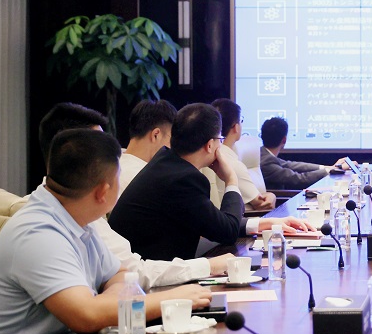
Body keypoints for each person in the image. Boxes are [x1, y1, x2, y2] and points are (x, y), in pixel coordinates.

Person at [0, 129, 211, 334]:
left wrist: (112, 300)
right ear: (103, 191)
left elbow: (119, 273)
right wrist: (171, 299)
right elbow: (85, 315)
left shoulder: (75, 217)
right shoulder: (37, 233)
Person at [37, 102, 233, 288]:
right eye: (102, 150)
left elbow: (126, 272)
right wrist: (207, 267)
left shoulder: (80, 214)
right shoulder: (42, 229)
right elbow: (88, 306)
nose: (114, 163)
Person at [109, 104, 314, 261]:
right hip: (147, 279)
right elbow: (226, 231)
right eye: (220, 140)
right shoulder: (183, 178)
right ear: (210, 145)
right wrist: (231, 180)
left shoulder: (168, 165)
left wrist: (264, 223)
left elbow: (213, 222)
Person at [211, 98, 277, 210]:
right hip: (242, 220)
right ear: (236, 127)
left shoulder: (207, 156)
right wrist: (272, 195)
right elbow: (262, 203)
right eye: (241, 121)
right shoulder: (232, 164)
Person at [259, 116, 348, 190]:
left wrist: (329, 167)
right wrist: (332, 170)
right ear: (284, 140)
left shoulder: (263, 154)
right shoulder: (267, 162)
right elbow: (299, 179)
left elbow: (291, 165)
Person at [120, 99, 178, 191]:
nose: (173, 148)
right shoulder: (150, 179)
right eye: (172, 139)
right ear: (156, 135)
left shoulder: (112, 165)